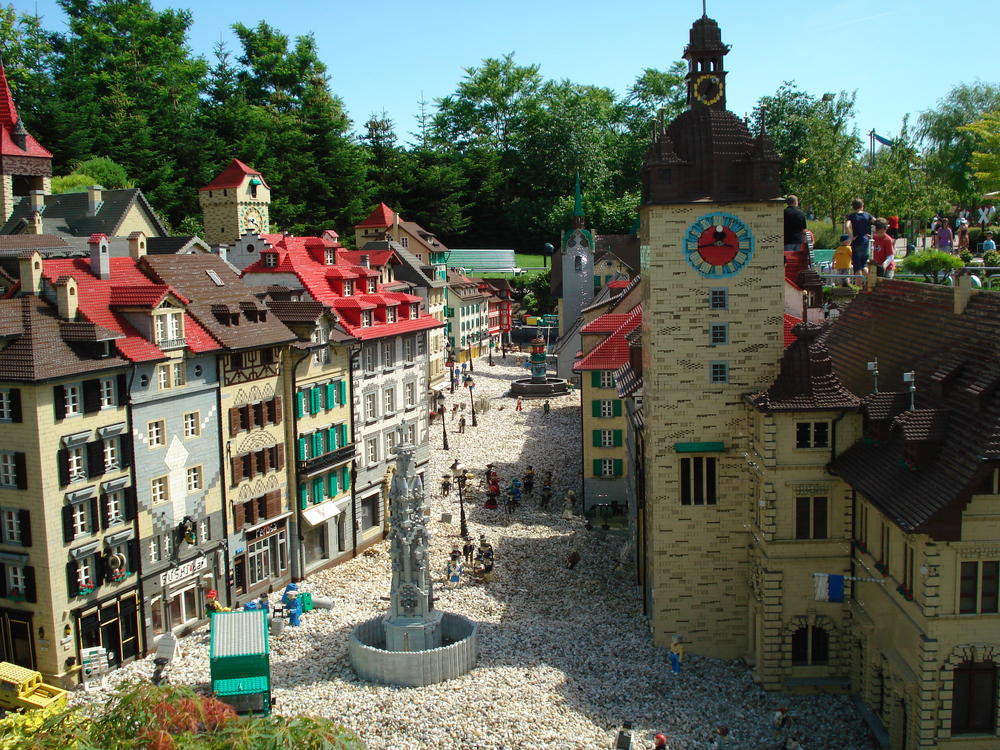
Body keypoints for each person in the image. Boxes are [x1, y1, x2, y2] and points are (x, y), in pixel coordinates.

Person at [844, 197, 873, 273]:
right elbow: (876, 221)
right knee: (864, 265)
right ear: (862, 206)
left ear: (853, 206)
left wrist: (851, 236)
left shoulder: (851, 216)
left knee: (857, 267)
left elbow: (847, 226)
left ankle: (858, 281)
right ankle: (870, 279)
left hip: (856, 242)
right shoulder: (867, 215)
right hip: (865, 241)